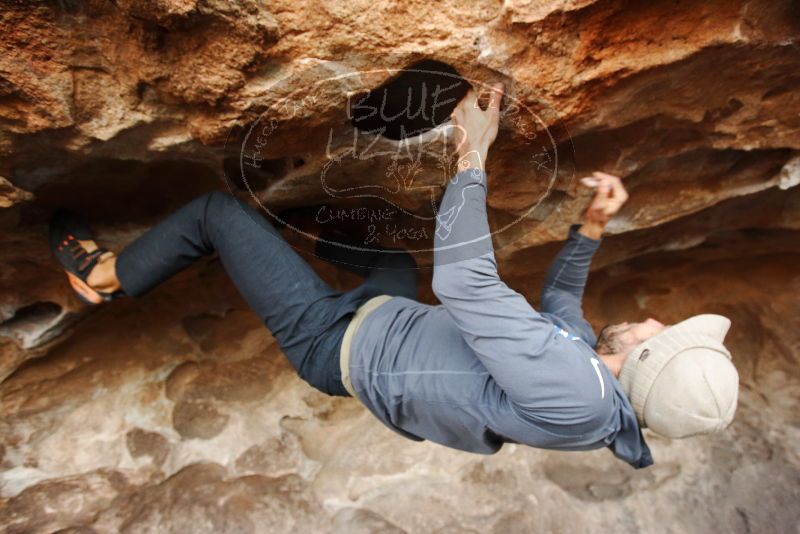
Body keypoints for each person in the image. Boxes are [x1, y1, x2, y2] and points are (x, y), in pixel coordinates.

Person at [50, 82, 739, 468]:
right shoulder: (591, 383)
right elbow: (560, 304)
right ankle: (275, 226)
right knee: (390, 259)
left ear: (645, 355)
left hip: (334, 344)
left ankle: (103, 276)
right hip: (386, 318)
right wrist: (591, 222)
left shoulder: (577, 396)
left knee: (213, 214)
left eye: (661, 329)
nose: (653, 318)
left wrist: (472, 156)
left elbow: (468, 285)